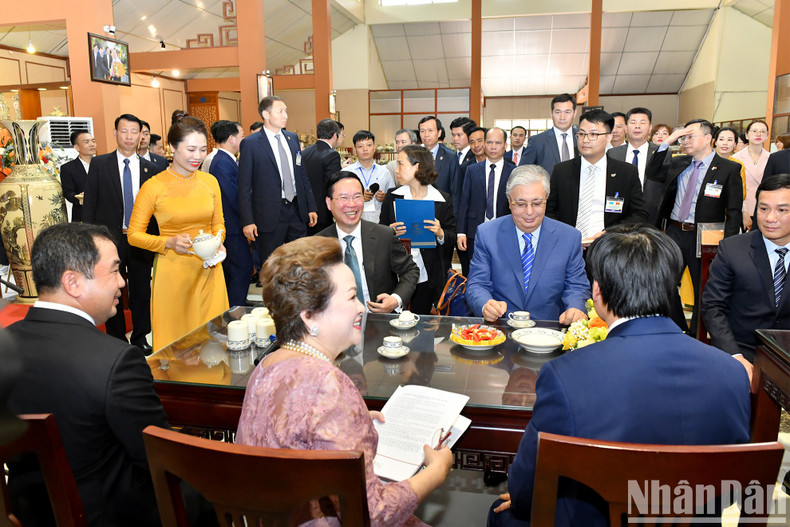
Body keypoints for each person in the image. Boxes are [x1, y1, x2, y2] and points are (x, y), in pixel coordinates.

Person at [488, 224, 751, 527]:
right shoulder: (732, 373)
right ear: (671, 287)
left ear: (597, 291)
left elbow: (526, 485)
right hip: (691, 519)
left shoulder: (566, 375)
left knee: (503, 513)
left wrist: (521, 500)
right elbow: (730, 490)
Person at [235, 236, 453, 526]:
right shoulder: (328, 385)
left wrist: (355, 418)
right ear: (310, 316)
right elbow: (372, 514)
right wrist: (434, 473)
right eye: (351, 297)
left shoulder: (267, 365)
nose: (362, 307)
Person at [5, 223, 169, 526]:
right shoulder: (116, 361)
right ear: (73, 282)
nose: (122, 282)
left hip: (27, 512)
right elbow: (161, 459)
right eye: (115, 271)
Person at [128, 115, 228, 351]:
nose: (198, 156)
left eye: (203, 149)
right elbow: (134, 235)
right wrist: (168, 243)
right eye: (191, 149)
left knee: (213, 341)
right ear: (173, 148)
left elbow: (219, 222)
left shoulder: (210, 182)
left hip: (210, 269)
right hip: (174, 273)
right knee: (178, 344)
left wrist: (218, 241)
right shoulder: (154, 186)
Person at [648, 119, 743, 335]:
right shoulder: (679, 163)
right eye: (683, 137)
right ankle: (676, 328)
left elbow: (734, 211)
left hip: (706, 237)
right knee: (663, 282)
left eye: (691, 136)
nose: (685, 141)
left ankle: (696, 334)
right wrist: (670, 139)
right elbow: (653, 172)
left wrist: (727, 244)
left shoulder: (729, 168)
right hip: (673, 232)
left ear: (709, 138)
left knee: (704, 288)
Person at [466, 165, 589, 323]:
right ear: (510, 202)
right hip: (502, 329)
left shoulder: (569, 237)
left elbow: (577, 287)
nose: (530, 212)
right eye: (521, 204)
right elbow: (477, 284)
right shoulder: (487, 234)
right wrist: (485, 305)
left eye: (537, 203)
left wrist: (575, 308)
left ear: (546, 200)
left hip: (550, 331)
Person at [83, 113, 158, 352]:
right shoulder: (99, 164)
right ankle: (116, 340)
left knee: (141, 290)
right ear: (115, 133)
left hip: (140, 239)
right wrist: (91, 239)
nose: (129, 136)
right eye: (124, 131)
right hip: (109, 239)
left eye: (134, 132)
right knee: (112, 289)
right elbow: (90, 204)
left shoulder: (154, 168)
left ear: (141, 135)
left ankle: (139, 337)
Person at [702, 174, 790, 371]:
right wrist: (735, 357)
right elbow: (712, 307)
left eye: (782, 210)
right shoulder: (733, 250)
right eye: (763, 209)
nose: (770, 218)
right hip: (743, 352)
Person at [317, 171, 419, 313]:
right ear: (329, 202)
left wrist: (395, 299)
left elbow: (410, 270)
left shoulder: (384, 235)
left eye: (357, 197)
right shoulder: (318, 244)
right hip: (336, 324)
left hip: (379, 320)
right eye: (344, 198)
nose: (352, 204)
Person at [238, 95, 317, 266]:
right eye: (280, 111)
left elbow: (301, 175)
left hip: (296, 209)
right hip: (269, 214)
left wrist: (311, 206)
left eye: (286, 111)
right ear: (266, 115)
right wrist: (248, 221)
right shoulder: (250, 144)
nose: (285, 115)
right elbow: (244, 186)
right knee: (271, 264)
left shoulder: (292, 139)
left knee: (300, 261)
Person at [548, 109, 648, 241]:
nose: (585, 140)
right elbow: (549, 211)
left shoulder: (626, 172)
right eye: (582, 134)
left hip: (609, 245)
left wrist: (610, 233)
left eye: (593, 134)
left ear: (608, 138)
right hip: (568, 243)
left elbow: (639, 214)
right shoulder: (562, 170)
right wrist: (565, 235)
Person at [380, 145, 457, 314]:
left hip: (428, 273)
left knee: (422, 322)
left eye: (400, 164)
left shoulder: (442, 199)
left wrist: (440, 233)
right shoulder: (393, 196)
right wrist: (389, 231)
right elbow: (380, 231)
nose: (396, 169)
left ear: (417, 166)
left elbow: (452, 237)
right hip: (397, 272)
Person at [457, 127, 514, 276]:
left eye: (497, 143)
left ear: (505, 146)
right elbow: (464, 201)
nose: (493, 147)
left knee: (502, 273)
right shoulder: (472, 170)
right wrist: (461, 232)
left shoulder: (514, 171)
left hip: (505, 230)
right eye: (489, 142)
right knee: (474, 272)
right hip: (474, 231)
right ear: (485, 145)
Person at [206, 120, 251, 308]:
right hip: (231, 226)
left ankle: (236, 305)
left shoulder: (227, 160)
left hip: (232, 225)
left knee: (238, 270)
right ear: (232, 139)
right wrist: (249, 218)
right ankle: (235, 311)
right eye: (241, 136)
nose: (243, 140)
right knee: (241, 269)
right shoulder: (222, 163)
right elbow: (233, 196)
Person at [521, 93, 578, 174]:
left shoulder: (583, 138)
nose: (562, 117)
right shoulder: (537, 141)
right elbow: (521, 172)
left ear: (574, 113)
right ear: (551, 114)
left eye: (567, 112)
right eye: (558, 112)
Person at [302, 118, 342, 234]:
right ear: (335, 135)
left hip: (306, 209)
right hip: (323, 212)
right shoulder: (332, 154)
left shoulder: (305, 153)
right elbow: (333, 184)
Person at [344, 130, 393, 223]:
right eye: (360, 146)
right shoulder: (346, 173)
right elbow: (340, 199)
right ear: (355, 150)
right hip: (353, 221)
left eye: (369, 145)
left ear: (374, 147)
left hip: (380, 221)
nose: (365, 149)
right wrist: (359, 197)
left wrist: (384, 198)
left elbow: (392, 198)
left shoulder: (385, 172)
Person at [733, 120, 770, 230]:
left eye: (762, 131)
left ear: (767, 136)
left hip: (765, 209)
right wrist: (744, 212)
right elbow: (735, 190)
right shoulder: (736, 158)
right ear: (747, 135)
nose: (758, 134)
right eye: (754, 131)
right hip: (743, 209)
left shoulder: (772, 158)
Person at [418, 115, 461, 212]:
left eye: (430, 130)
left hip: (443, 211)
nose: (426, 134)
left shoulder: (450, 157)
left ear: (439, 133)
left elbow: (456, 191)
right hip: (419, 208)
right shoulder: (414, 156)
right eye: (422, 131)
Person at [607, 107, 658, 186]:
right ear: (626, 128)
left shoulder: (659, 153)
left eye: (642, 122)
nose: (637, 126)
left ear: (650, 128)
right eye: (633, 122)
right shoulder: (613, 153)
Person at [60, 130, 95, 222]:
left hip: (104, 215)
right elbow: (68, 192)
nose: (92, 144)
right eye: (87, 142)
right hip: (82, 216)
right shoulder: (68, 168)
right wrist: (80, 198)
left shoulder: (103, 164)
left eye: (93, 141)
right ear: (77, 147)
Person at [712, 126, 747, 200]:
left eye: (730, 140)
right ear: (715, 142)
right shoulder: (706, 160)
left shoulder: (738, 165)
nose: (725, 143)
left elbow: (742, 194)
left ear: (735, 144)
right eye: (721, 139)